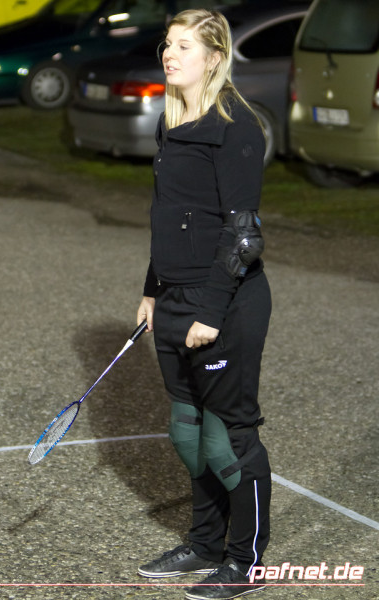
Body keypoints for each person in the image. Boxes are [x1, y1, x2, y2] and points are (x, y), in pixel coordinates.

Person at [136, 9, 272, 600]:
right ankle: (205, 543)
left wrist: (210, 313)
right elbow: (168, 217)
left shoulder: (235, 127)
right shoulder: (172, 122)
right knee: (188, 432)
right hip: (173, 297)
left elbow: (243, 236)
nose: (170, 54)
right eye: (167, 44)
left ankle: (246, 562)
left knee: (227, 440)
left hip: (224, 302)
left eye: (184, 46)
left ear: (215, 57)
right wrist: (152, 289)